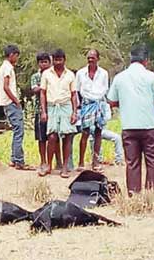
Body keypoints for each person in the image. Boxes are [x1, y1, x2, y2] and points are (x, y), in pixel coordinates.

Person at [107, 45, 154, 194]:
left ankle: (134, 195)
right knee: (152, 161)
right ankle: (152, 195)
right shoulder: (151, 76)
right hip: (149, 126)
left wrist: (125, 101)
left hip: (129, 126)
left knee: (132, 163)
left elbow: (111, 101)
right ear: (146, 60)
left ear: (131, 59)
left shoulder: (120, 77)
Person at [40, 49, 79, 178]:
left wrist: (74, 112)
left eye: (60, 59)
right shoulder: (46, 74)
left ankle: (64, 167)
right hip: (52, 106)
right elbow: (43, 93)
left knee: (67, 136)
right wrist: (44, 111)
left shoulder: (70, 75)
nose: (57, 62)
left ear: (64, 60)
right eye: (55, 60)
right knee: (51, 136)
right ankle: (49, 166)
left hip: (66, 106)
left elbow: (74, 94)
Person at [0, 44, 33, 170]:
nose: (17, 59)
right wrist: (16, 100)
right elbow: (6, 87)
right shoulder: (7, 68)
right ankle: (19, 160)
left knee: (16, 131)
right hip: (10, 102)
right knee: (19, 131)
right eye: (16, 56)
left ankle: (14, 158)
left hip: (6, 102)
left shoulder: (4, 67)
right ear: (12, 55)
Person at [76, 49, 110, 171]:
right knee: (84, 132)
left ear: (98, 59)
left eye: (93, 57)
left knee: (98, 132)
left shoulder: (104, 73)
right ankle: (80, 162)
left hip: (99, 103)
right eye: (89, 58)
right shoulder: (80, 73)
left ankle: (95, 161)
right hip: (86, 103)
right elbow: (77, 91)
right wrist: (78, 107)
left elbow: (105, 89)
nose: (90, 60)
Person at [31, 52, 61, 175]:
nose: (44, 64)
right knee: (42, 138)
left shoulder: (54, 75)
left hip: (54, 109)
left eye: (46, 62)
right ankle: (43, 161)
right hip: (40, 110)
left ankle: (58, 161)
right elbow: (34, 89)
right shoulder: (36, 76)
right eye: (41, 62)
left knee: (55, 137)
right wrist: (44, 87)